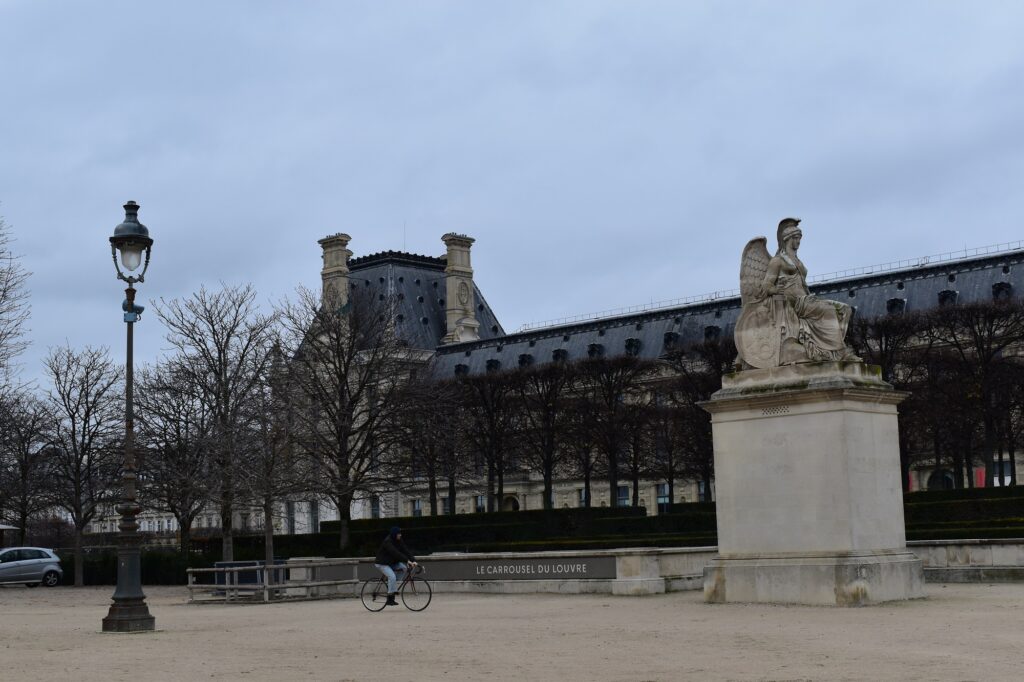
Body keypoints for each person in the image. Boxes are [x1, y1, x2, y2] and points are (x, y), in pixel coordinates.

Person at [374, 526, 418, 606]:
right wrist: (407, 561)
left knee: (404, 568)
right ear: (394, 534)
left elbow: (405, 550)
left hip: (392, 562)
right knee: (392, 576)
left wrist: (413, 560)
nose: (400, 535)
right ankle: (390, 598)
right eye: (399, 534)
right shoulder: (387, 542)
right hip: (382, 563)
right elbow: (396, 553)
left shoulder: (399, 540)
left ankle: (393, 586)